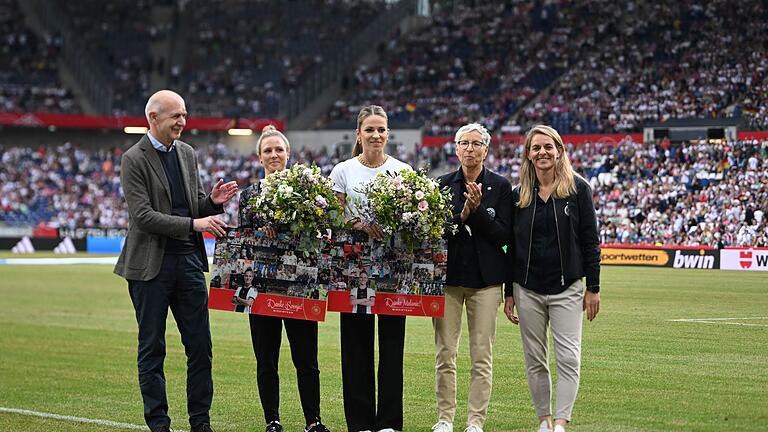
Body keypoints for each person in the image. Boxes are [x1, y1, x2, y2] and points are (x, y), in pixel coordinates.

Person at [114, 89, 239, 432]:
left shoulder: (186, 153)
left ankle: (201, 423)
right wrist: (195, 223)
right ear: (153, 118)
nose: (182, 122)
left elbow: (193, 205)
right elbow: (144, 217)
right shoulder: (133, 159)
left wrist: (210, 203)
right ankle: (159, 424)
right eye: (175, 116)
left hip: (188, 263)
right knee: (152, 349)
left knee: (201, 348)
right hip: (150, 267)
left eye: (184, 115)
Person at [504, 125, 601, 432]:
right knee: (535, 359)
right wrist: (509, 292)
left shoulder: (578, 189)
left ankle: (561, 422)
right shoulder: (518, 195)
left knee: (569, 357)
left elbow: (590, 242)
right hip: (526, 288)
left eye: (548, 147)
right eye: (536, 148)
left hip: (567, 288)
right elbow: (510, 247)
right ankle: (544, 421)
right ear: (528, 155)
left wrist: (593, 288)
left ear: (559, 150)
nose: (542, 153)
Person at [238, 124, 331, 432]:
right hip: (262, 288)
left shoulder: (308, 192)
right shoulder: (250, 195)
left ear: (288, 154)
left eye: (279, 149)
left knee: (307, 360)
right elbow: (243, 242)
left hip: (301, 286)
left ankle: (313, 421)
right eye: (268, 150)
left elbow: (322, 233)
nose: (274, 154)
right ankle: (272, 420)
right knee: (267, 360)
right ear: (259, 157)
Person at [329, 105, 411, 432]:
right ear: (358, 134)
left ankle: (389, 422)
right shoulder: (343, 171)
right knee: (355, 346)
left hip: (393, 269)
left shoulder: (403, 170)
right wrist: (358, 224)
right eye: (370, 130)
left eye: (381, 129)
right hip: (352, 268)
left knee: (392, 346)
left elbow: (412, 221)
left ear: (388, 133)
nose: (376, 135)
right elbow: (333, 218)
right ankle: (360, 422)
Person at [432, 123, 512, 432]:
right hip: (449, 280)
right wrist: (462, 215)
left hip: (487, 281)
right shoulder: (441, 185)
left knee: (481, 356)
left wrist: (476, 212)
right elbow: (437, 232)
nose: (470, 148)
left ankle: (475, 422)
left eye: (476, 143)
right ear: (455, 149)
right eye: (464, 143)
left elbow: (503, 236)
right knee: (445, 354)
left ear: (486, 149)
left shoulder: (501, 186)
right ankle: (444, 419)